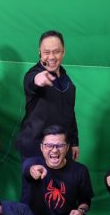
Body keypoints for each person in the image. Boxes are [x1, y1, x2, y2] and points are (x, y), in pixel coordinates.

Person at [16, 30, 79, 160]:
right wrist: (37, 79)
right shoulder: (34, 73)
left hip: (61, 148)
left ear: (63, 52)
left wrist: (74, 142)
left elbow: (70, 113)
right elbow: (31, 80)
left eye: (56, 52)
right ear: (39, 52)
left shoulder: (67, 81)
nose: (51, 57)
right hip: (35, 148)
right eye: (46, 52)